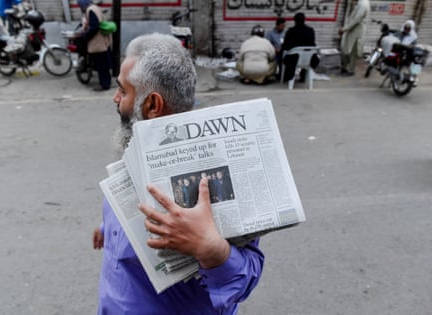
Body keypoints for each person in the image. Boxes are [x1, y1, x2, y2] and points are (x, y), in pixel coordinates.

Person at [92, 33, 264, 314]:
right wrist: (107, 229)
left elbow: (244, 277)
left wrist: (213, 251)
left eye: (123, 90)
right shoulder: (134, 143)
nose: (115, 98)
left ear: (152, 105)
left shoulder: (214, 174)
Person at [77, 0, 112, 91]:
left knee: (101, 65)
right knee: (103, 63)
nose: (80, 7)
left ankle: (104, 85)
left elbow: (94, 26)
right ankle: (106, 82)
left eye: (80, 5)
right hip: (102, 40)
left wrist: (85, 36)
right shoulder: (95, 8)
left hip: (97, 42)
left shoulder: (91, 10)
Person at [281, 12, 319, 82]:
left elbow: (285, 46)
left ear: (294, 20)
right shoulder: (310, 31)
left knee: (285, 55)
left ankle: (286, 77)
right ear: (304, 20)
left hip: (293, 60)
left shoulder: (291, 31)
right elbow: (313, 44)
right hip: (308, 60)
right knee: (305, 54)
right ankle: (303, 77)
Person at [338, 0, 370, 76]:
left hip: (357, 32)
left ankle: (350, 70)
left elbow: (356, 20)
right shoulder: (359, 3)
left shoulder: (363, 4)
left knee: (353, 52)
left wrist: (344, 29)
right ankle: (345, 67)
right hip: (352, 31)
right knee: (346, 50)